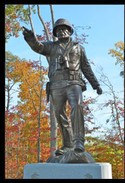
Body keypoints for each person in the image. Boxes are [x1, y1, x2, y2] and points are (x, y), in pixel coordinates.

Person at [22, 18, 102, 156]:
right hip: (56, 85)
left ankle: (78, 142)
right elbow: (38, 47)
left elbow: (86, 67)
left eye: (64, 29)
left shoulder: (79, 48)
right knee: (59, 113)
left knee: (77, 107)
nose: (61, 31)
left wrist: (96, 84)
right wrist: (31, 39)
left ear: (70, 31)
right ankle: (68, 144)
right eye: (58, 30)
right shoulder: (51, 46)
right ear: (55, 33)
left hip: (73, 83)